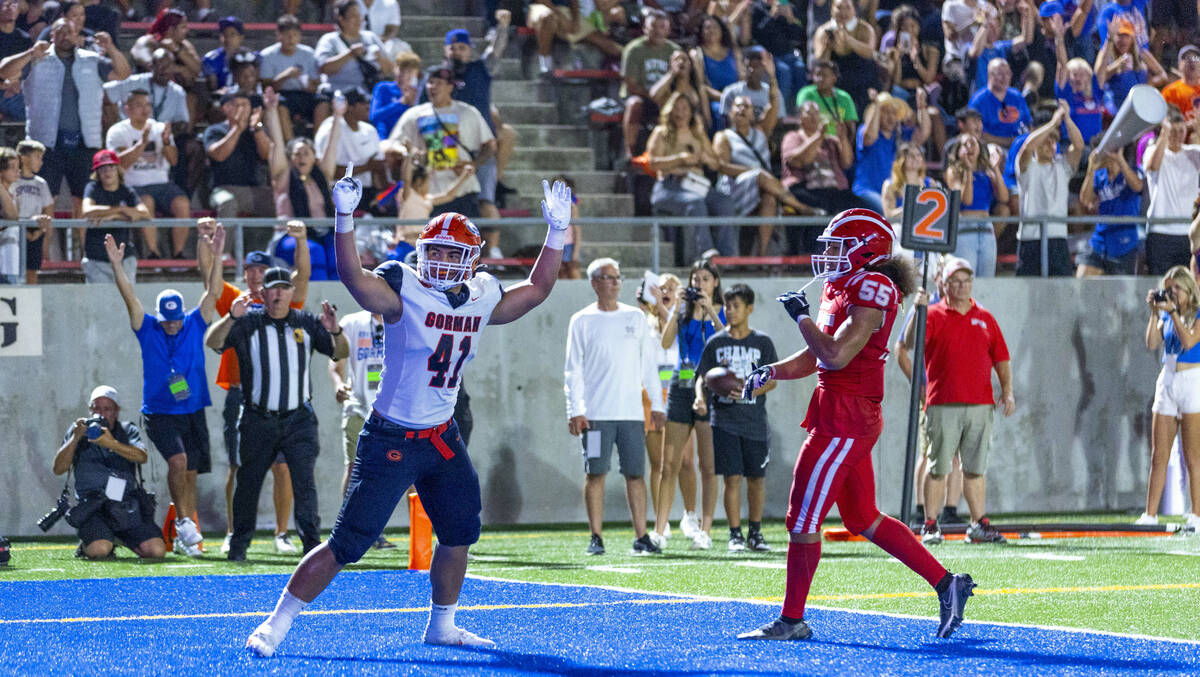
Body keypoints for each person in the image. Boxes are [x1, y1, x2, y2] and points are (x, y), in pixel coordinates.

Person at [242, 174, 575, 655]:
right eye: (433, 251)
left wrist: (557, 231)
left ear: (471, 261)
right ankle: (277, 623)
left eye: (449, 253)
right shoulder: (405, 289)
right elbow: (356, 281)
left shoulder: (480, 295)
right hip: (391, 437)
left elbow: (538, 289)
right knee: (348, 544)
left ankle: (442, 624)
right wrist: (344, 220)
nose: (438, 260)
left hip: (441, 436)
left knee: (460, 530)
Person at [737, 208, 976, 642]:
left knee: (802, 518)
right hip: (839, 409)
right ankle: (948, 584)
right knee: (861, 516)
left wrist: (802, 318)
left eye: (838, 247)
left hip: (847, 415)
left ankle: (792, 620)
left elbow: (836, 355)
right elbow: (816, 357)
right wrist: (772, 370)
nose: (828, 255)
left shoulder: (874, 285)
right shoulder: (843, 285)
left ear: (866, 249)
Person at [204, 265, 349, 561]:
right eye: (273, 288)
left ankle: (311, 548)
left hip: (298, 420)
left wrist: (335, 330)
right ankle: (239, 546)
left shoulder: (307, 323)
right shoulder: (248, 323)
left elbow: (340, 352)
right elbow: (213, 342)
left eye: (284, 287)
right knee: (248, 485)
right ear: (263, 293)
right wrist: (231, 316)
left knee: (305, 485)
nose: (279, 293)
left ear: (292, 292)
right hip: (258, 419)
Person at [103, 225, 223, 556]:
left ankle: (186, 530)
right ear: (160, 317)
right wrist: (117, 264)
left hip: (193, 407)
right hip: (160, 411)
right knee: (178, 461)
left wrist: (217, 255)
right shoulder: (147, 328)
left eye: (176, 321)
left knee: (191, 472)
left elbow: (213, 293)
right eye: (167, 321)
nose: (172, 325)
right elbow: (130, 296)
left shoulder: (193, 322)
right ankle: (184, 522)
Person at [197, 219, 312, 556]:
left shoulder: (283, 299)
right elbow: (211, 281)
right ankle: (235, 532)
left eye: (260, 269)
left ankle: (281, 532)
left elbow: (302, 278)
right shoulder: (238, 300)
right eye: (248, 269)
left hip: (279, 395)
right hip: (242, 392)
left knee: (282, 466)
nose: (253, 275)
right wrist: (206, 243)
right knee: (238, 465)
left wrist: (302, 240)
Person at [908, 256, 1014, 545]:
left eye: (966, 280)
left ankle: (978, 523)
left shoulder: (986, 317)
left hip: (980, 404)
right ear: (945, 285)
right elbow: (908, 345)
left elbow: (1001, 359)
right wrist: (917, 311)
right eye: (956, 280)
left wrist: (1007, 391)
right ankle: (930, 523)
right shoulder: (932, 315)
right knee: (939, 467)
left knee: (976, 469)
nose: (962, 285)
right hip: (942, 402)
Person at [565, 257, 667, 556]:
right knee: (595, 473)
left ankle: (641, 536)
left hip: (631, 414)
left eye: (618, 277)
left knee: (635, 474)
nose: (616, 282)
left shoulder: (635, 318)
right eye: (609, 277)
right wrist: (575, 409)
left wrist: (657, 404)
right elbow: (573, 370)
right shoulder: (581, 320)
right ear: (594, 283)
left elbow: (649, 366)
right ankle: (595, 536)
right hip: (596, 415)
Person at [0, 16, 129, 216]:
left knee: (85, 201)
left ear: (77, 34)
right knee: (45, 202)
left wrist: (111, 48)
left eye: (69, 32)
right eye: (59, 32)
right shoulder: (37, 59)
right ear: (51, 36)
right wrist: (30, 52)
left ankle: (82, 248)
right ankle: (43, 247)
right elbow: (4, 71)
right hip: (45, 146)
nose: (64, 36)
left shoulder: (92, 59)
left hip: (84, 143)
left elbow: (123, 74)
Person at [694, 283, 777, 552]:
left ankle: (755, 532)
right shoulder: (716, 343)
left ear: (749, 309)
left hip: (754, 420)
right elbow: (702, 376)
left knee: (756, 478)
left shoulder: (761, 342)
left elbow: (772, 380)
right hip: (724, 420)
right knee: (732, 478)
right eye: (727, 306)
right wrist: (700, 396)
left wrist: (748, 390)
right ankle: (735, 534)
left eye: (735, 306)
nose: (729, 311)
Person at [651, 259, 726, 550]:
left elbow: (724, 343)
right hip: (681, 389)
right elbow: (667, 342)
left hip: (709, 390)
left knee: (707, 465)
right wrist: (675, 310)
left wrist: (709, 310)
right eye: (696, 279)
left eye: (705, 279)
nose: (699, 284)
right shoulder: (681, 315)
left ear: (715, 283)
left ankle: (705, 531)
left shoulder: (719, 311)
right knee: (668, 464)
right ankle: (659, 530)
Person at [52, 385, 166, 560]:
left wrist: (112, 444)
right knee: (100, 550)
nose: (101, 413)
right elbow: (58, 469)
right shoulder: (78, 431)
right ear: (90, 410)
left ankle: (118, 537)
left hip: (125, 505)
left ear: (116, 411)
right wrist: (75, 438)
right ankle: (91, 543)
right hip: (93, 507)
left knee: (156, 551)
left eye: (107, 409)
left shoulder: (127, 430)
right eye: (96, 408)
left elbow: (141, 457)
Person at [383, 64, 495, 218]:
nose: (432, 87)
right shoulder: (414, 114)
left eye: (439, 83)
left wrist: (475, 165)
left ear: (450, 87)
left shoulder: (467, 112)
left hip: (462, 189)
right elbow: (390, 144)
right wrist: (410, 153)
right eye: (430, 82)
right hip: (427, 193)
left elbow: (489, 145)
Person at [327, 307, 394, 549]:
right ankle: (348, 529)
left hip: (395, 411)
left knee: (408, 475)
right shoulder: (351, 322)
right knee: (355, 468)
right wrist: (338, 383)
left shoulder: (402, 318)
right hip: (358, 407)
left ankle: (423, 536)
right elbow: (336, 362)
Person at [714, 94, 811, 256]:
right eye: (738, 106)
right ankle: (801, 207)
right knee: (760, 174)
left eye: (747, 107)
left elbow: (774, 105)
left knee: (770, 199)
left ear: (753, 114)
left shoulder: (760, 133)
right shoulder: (723, 136)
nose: (742, 109)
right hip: (733, 189)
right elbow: (721, 166)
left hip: (762, 187)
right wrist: (751, 172)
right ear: (730, 112)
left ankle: (763, 253)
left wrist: (772, 79)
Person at [1141, 266, 1200, 531]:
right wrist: (1155, 313)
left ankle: (1196, 516)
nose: (1172, 293)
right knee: (1158, 454)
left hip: (1192, 380)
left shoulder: (1196, 314)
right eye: (1169, 288)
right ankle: (1150, 514)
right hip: (1168, 379)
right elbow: (1152, 343)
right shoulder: (1166, 313)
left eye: (1177, 288)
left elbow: (1188, 342)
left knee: (1192, 456)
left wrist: (1173, 313)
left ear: (1189, 290)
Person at [646, 92, 736, 262]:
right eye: (677, 108)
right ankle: (706, 253)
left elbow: (716, 164)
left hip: (697, 184)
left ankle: (728, 256)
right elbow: (652, 163)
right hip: (669, 185)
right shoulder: (661, 133)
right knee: (695, 202)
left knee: (725, 203)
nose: (681, 113)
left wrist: (704, 158)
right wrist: (680, 159)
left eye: (685, 108)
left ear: (691, 112)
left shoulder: (698, 134)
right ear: (670, 111)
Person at [106, 89, 190, 260]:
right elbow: (119, 164)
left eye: (147, 105)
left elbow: (173, 161)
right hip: (133, 185)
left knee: (182, 203)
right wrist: (141, 144)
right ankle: (153, 254)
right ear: (127, 109)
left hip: (162, 184)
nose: (145, 109)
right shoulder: (117, 132)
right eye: (139, 105)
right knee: (146, 203)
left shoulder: (159, 128)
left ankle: (179, 254)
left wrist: (166, 142)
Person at [1015, 99, 1083, 276]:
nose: (1050, 145)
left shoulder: (1062, 166)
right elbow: (1027, 148)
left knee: (1060, 290)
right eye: (1046, 140)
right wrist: (1052, 123)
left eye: (1054, 141)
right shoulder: (1028, 166)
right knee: (1028, 291)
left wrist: (1066, 119)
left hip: (1057, 237)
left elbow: (1079, 146)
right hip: (1030, 238)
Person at [1144, 107, 1200, 274]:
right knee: (1161, 284)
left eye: (1181, 130)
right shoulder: (1152, 151)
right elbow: (1153, 166)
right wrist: (1164, 133)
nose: (1177, 135)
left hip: (1187, 232)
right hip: (1160, 232)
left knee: (1190, 288)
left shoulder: (1194, 153)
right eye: (1172, 131)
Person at [80, 149, 150, 283]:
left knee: (127, 301)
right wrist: (120, 210)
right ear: (97, 172)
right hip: (96, 257)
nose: (107, 172)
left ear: (118, 169)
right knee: (100, 302)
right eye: (102, 168)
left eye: (111, 167)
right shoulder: (92, 187)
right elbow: (87, 210)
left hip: (124, 256)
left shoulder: (127, 190)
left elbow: (144, 213)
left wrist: (112, 217)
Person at [854, 91, 929, 214]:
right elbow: (870, 137)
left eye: (894, 113)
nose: (891, 117)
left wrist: (922, 107)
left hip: (892, 191)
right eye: (885, 112)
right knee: (889, 213)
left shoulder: (899, 135)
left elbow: (923, 134)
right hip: (868, 190)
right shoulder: (864, 130)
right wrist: (876, 106)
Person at [205, 91, 274, 220]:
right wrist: (237, 129)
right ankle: (224, 241)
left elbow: (268, 155)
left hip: (253, 190)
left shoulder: (255, 130)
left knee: (280, 200)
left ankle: (282, 239)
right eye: (237, 105)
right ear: (226, 108)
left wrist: (258, 127)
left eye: (245, 105)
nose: (242, 109)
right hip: (222, 189)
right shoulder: (215, 130)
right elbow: (219, 155)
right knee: (227, 203)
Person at [944, 133, 1006, 277]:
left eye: (973, 144)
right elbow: (967, 200)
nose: (970, 147)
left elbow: (1003, 197)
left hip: (986, 228)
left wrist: (995, 169)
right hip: (965, 227)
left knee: (986, 279)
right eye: (965, 145)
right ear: (958, 151)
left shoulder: (987, 172)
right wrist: (968, 170)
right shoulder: (953, 171)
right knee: (966, 277)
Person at [619, 9, 679, 159]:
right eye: (653, 26)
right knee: (634, 104)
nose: (657, 31)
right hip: (638, 96)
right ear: (645, 28)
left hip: (663, 97)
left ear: (668, 30)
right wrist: (654, 96)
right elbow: (631, 85)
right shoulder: (634, 50)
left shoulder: (675, 51)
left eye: (662, 27)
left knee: (679, 106)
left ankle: (673, 150)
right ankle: (630, 152)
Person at [1077, 147, 1143, 276]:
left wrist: (1120, 160)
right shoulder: (1100, 175)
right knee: (1082, 282)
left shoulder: (1132, 171)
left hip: (1124, 242)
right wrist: (1091, 169)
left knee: (1119, 293)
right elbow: (1085, 200)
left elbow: (1138, 187)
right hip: (1100, 238)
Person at [314, 86, 384, 205]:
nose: (368, 106)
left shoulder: (370, 130)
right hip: (339, 194)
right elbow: (327, 171)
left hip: (368, 193)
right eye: (362, 103)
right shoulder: (329, 128)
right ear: (349, 107)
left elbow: (378, 166)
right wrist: (367, 166)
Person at [314, 0, 394, 97]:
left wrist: (379, 58)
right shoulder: (329, 40)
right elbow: (323, 68)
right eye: (353, 16)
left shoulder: (370, 37)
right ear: (341, 19)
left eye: (359, 15)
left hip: (370, 91)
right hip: (340, 93)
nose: (358, 20)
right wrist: (350, 54)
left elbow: (390, 70)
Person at [812, 0, 878, 116]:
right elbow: (820, 62)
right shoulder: (823, 31)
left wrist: (849, 40)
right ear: (832, 9)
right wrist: (827, 48)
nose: (843, 12)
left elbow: (870, 52)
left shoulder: (864, 29)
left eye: (847, 7)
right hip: (836, 83)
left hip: (863, 82)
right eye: (839, 7)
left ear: (854, 9)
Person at [259, 15, 322, 132]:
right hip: (281, 95)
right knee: (279, 103)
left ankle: (318, 142)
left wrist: (306, 83)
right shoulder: (267, 55)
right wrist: (284, 76)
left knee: (323, 101)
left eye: (295, 35)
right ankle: (289, 143)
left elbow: (316, 84)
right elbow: (265, 88)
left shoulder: (309, 53)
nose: (291, 39)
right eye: (287, 35)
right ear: (278, 35)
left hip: (304, 94)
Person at [1095, 17, 1166, 115]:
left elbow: (1163, 76)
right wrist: (1116, 67)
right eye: (1119, 35)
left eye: (1126, 36)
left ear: (1132, 38)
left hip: (1139, 107)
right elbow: (1098, 79)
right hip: (1115, 109)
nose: (1123, 40)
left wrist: (1148, 84)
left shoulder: (1142, 54)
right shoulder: (1106, 53)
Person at [12, 139, 53, 284]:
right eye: (37, 157)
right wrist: (23, 230)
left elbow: (48, 210)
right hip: (16, 230)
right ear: (23, 157)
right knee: (13, 269)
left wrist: (42, 233)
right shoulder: (13, 181)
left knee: (32, 271)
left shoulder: (41, 183)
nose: (41, 162)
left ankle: (31, 303)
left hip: (36, 230)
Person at [969, 58, 1033, 149]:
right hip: (992, 147)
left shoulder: (1017, 96)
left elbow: (1028, 123)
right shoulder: (978, 101)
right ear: (990, 75)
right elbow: (977, 134)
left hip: (1020, 146)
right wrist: (1009, 142)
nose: (1005, 77)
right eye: (1000, 74)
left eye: (1008, 73)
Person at [794, 59, 857, 140]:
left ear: (834, 78)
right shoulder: (806, 94)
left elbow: (851, 129)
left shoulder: (844, 97)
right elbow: (802, 121)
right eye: (817, 75)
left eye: (824, 75)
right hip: (813, 142)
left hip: (838, 144)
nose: (820, 79)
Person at [203, 15, 244, 93]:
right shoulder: (211, 59)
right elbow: (213, 88)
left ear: (241, 37)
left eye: (232, 34)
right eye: (224, 34)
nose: (227, 38)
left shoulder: (249, 57)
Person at [1161, 45, 1200, 121]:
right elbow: (1166, 122)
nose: (1191, 61)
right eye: (1185, 58)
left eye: (1195, 58)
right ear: (1179, 65)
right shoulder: (1170, 92)